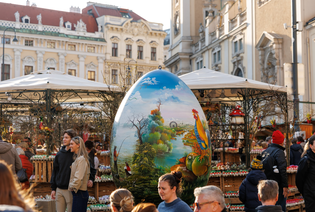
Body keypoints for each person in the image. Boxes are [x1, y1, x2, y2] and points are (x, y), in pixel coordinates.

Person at [50, 129, 96, 212]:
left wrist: (91, 179)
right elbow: (55, 171)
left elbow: (90, 168)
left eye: (66, 138)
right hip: (59, 189)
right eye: (63, 137)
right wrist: (53, 188)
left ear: (72, 139)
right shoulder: (59, 154)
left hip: (71, 190)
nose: (64, 139)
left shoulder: (77, 155)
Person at [261, 130, 288, 211]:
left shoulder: (265, 151)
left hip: (266, 183)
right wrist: (285, 186)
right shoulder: (279, 152)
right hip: (277, 184)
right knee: (279, 207)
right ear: (281, 141)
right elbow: (282, 170)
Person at [69, 136, 90, 212]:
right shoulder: (79, 158)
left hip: (79, 192)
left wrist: (73, 187)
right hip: (79, 193)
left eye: (72, 144)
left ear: (78, 145)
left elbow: (79, 177)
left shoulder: (81, 159)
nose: (70, 146)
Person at [296, 134, 315, 211]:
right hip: (311, 197)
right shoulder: (306, 160)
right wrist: (306, 192)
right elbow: (299, 179)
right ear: (311, 146)